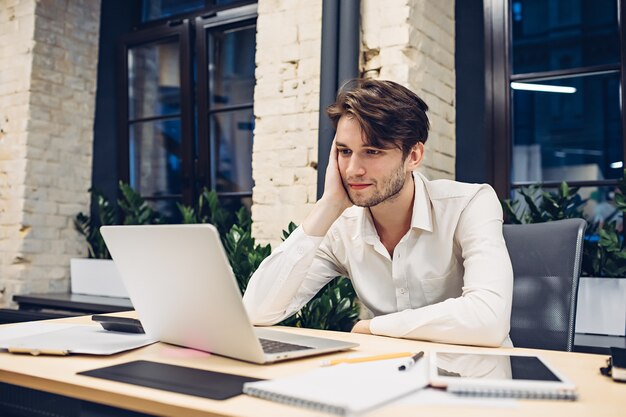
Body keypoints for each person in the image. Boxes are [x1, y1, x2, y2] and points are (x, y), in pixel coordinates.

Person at [243, 79, 513, 347]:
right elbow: (256, 311)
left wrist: (373, 327)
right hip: (392, 376)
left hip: (476, 377)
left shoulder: (469, 204)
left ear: (414, 156)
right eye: (345, 151)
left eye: (372, 151)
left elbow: (489, 320)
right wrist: (328, 206)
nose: (352, 170)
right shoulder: (341, 226)